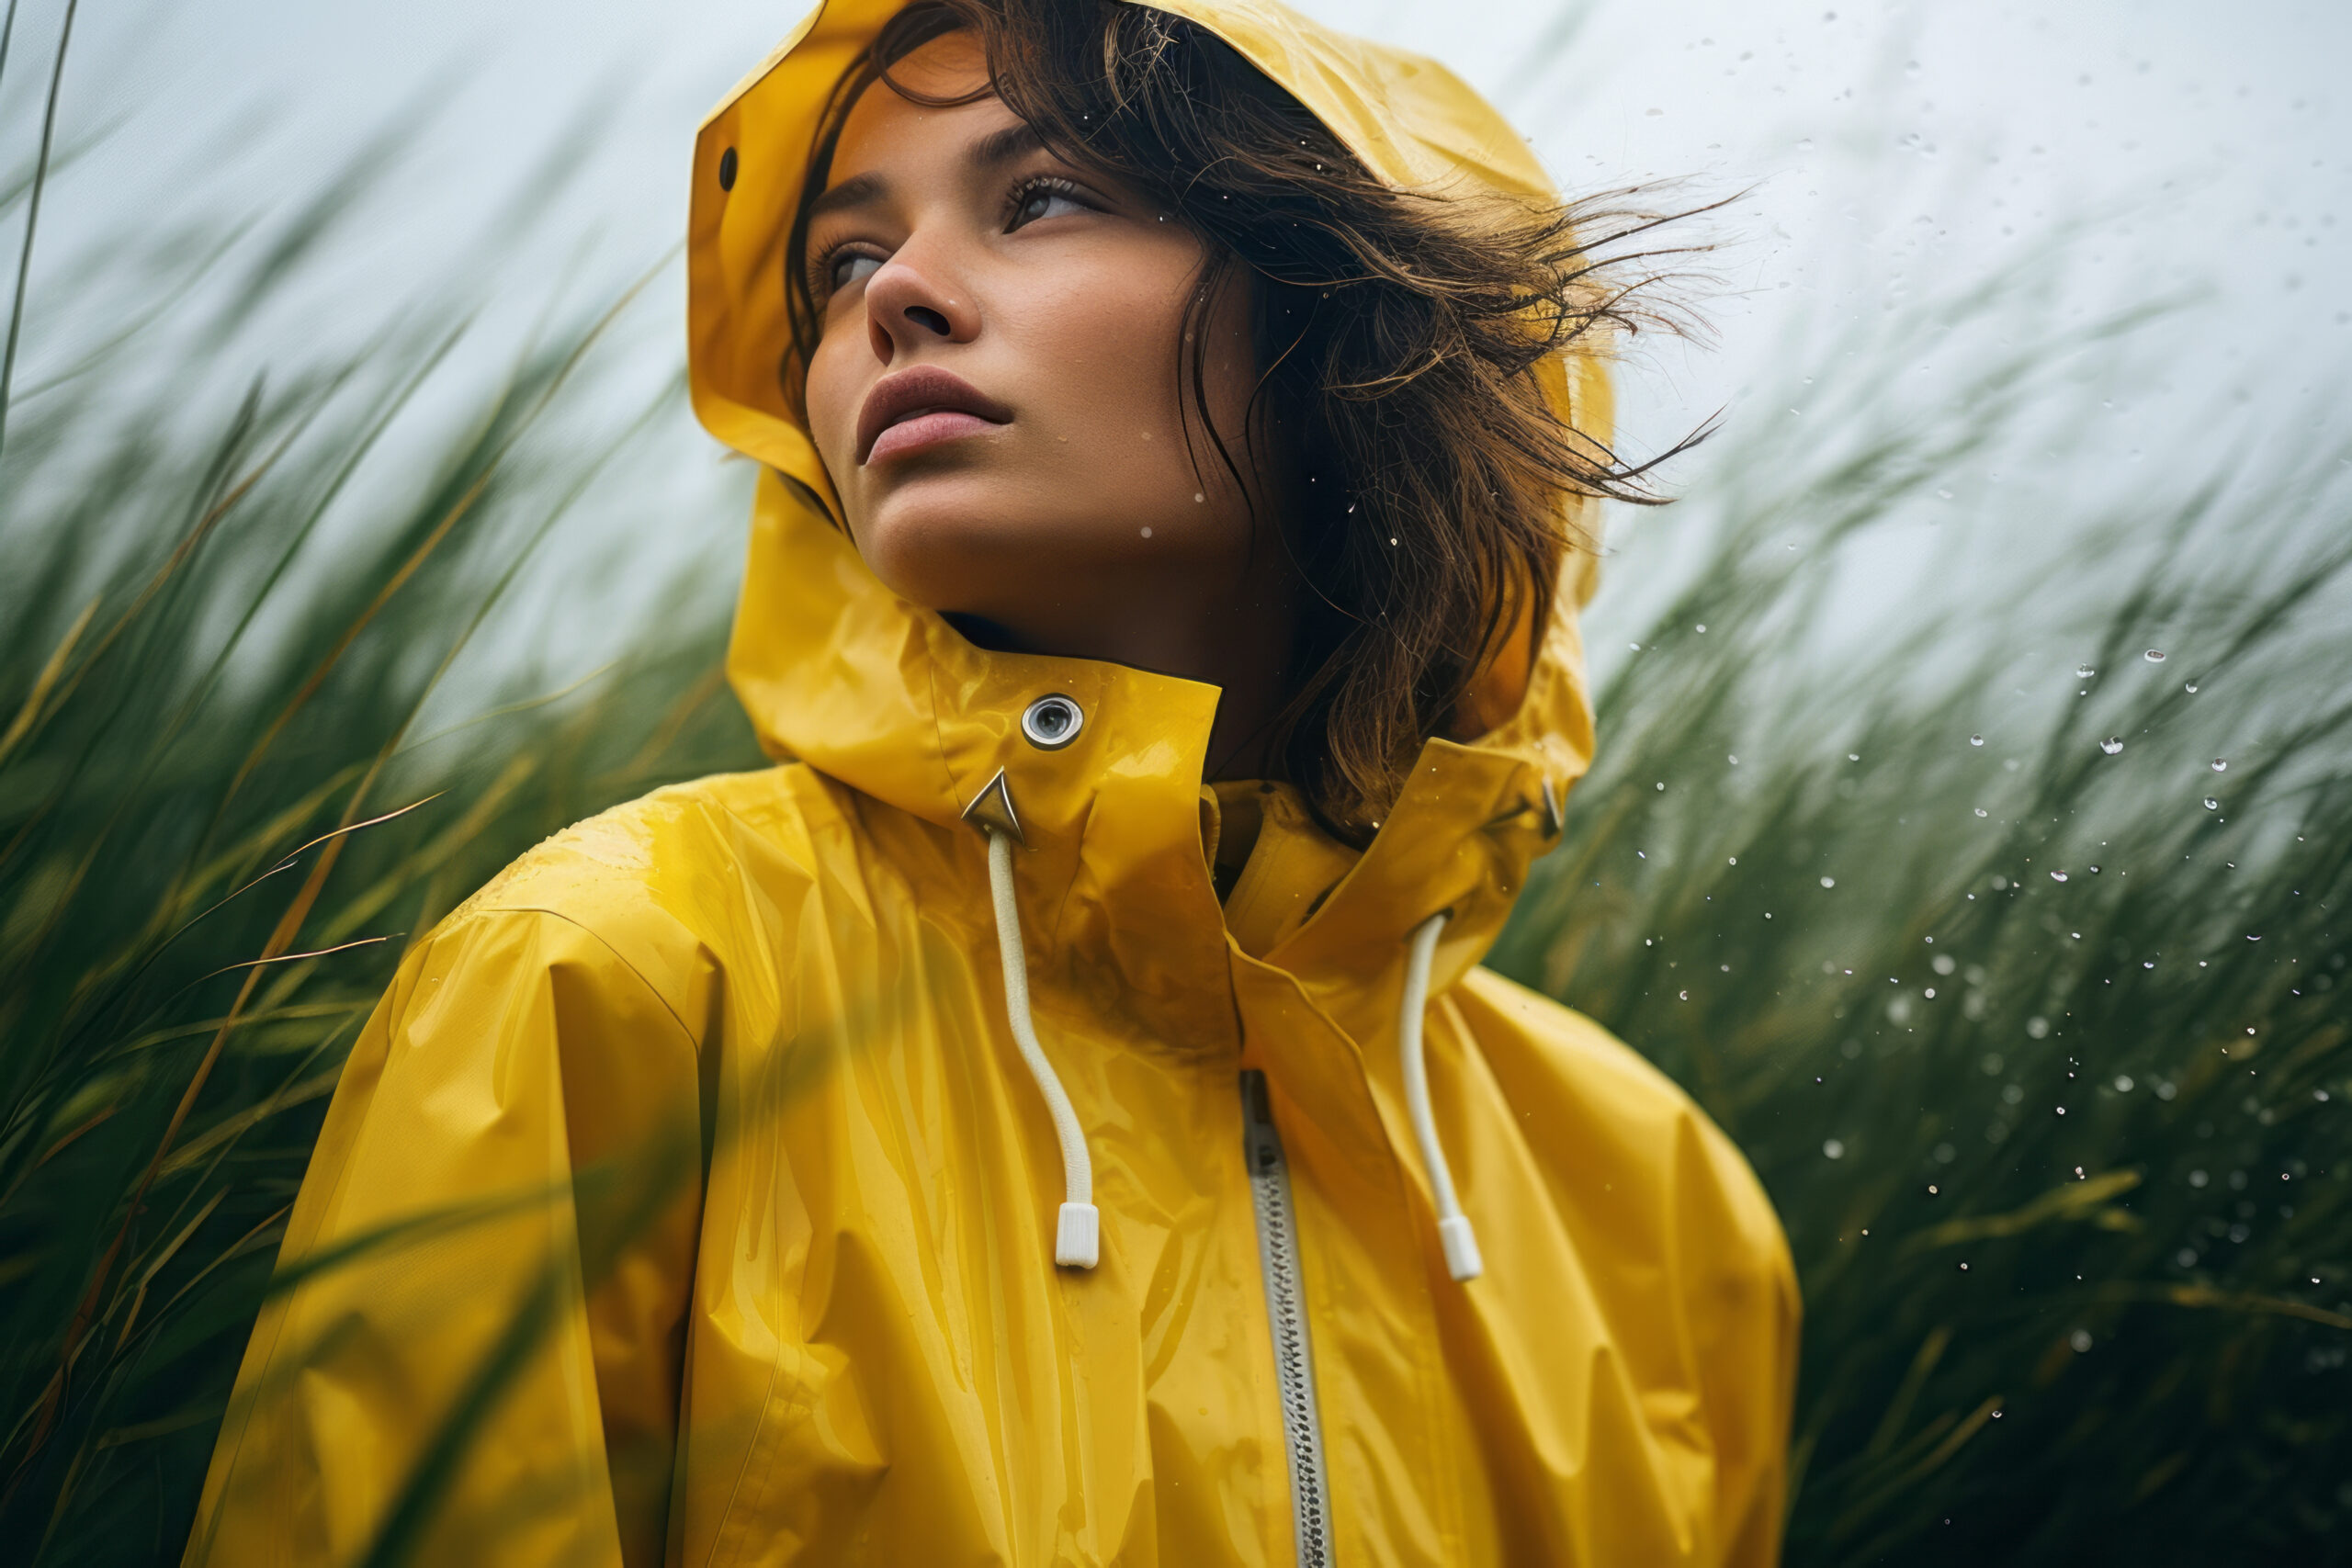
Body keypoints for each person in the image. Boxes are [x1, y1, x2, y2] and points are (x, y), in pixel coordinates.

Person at [186, 2, 1798, 1563]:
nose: (896, 298)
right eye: (842, 260)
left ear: (1336, 311)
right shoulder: (614, 985)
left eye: (1040, 198)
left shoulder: (1658, 1205)